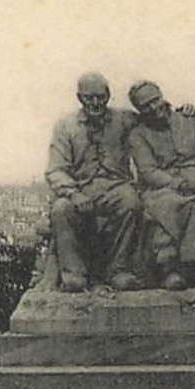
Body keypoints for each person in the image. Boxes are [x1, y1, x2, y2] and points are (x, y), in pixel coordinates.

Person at [127, 80, 195, 291]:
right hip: (165, 187)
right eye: (145, 106)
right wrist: (180, 184)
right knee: (166, 205)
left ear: (162, 95)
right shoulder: (138, 135)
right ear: (140, 110)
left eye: (155, 100)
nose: (154, 108)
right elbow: (148, 172)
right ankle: (170, 269)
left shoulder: (190, 122)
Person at [42, 72, 144, 292]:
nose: (95, 103)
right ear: (80, 98)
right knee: (61, 209)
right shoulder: (65, 127)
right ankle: (74, 274)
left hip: (117, 187)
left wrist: (180, 112)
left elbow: (152, 115)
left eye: (100, 97)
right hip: (81, 189)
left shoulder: (124, 120)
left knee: (131, 203)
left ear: (108, 96)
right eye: (89, 98)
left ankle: (118, 270)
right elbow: (55, 170)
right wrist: (74, 193)